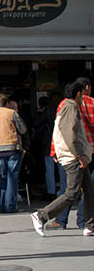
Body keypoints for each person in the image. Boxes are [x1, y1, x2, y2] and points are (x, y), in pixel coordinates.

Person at [31, 81, 94, 237]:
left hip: (75, 156)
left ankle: (89, 225)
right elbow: (69, 134)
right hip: (73, 157)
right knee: (72, 193)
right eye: (82, 95)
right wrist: (79, 155)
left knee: (89, 190)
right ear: (79, 93)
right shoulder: (70, 107)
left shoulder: (65, 106)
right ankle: (42, 215)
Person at [51, 77, 94, 229]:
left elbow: (58, 130)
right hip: (85, 152)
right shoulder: (90, 103)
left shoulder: (64, 104)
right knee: (86, 189)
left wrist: (54, 151)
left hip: (71, 153)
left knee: (68, 188)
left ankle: (60, 220)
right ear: (86, 88)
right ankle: (85, 222)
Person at [0, 93, 28, 214]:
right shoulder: (11, 113)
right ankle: (10, 206)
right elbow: (23, 129)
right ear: (7, 103)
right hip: (12, 147)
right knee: (12, 177)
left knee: (2, 176)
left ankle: (1, 204)